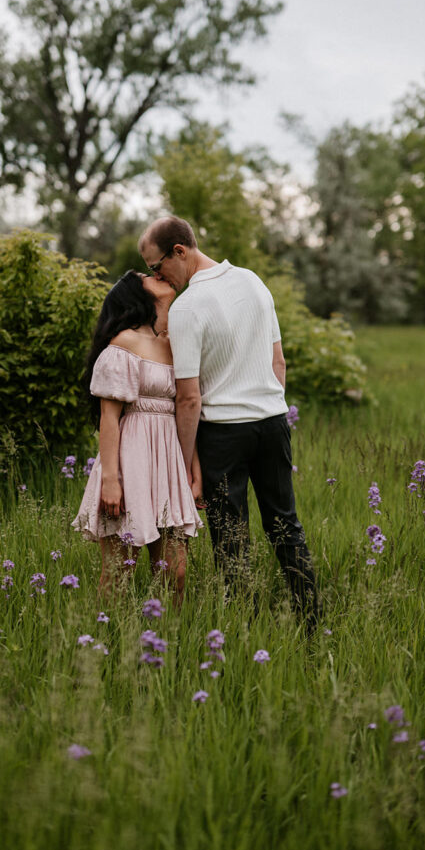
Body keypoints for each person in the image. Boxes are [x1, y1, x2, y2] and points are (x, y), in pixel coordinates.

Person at [139, 216, 317, 626]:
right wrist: (265, 403)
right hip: (272, 422)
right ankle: (312, 622)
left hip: (222, 434)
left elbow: (188, 397)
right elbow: (279, 362)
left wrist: (185, 464)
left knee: (231, 539)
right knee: (285, 526)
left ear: (179, 252)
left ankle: (245, 629)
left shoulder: (187, 308)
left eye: (156, 265)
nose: (157, 275)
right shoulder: (253, 281)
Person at [71, 270, 202, 604]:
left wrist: (193, 469)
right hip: (130, 461)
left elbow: (186, 409)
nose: (158, 275)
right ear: (135, 294)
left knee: (176, 571)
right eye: (147, 275)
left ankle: (173, 643)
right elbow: (109, 418)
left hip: (168, 460)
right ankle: (103, 641)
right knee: (118, 571)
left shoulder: (177, 342)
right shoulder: (124, 343)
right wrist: (111, 481)